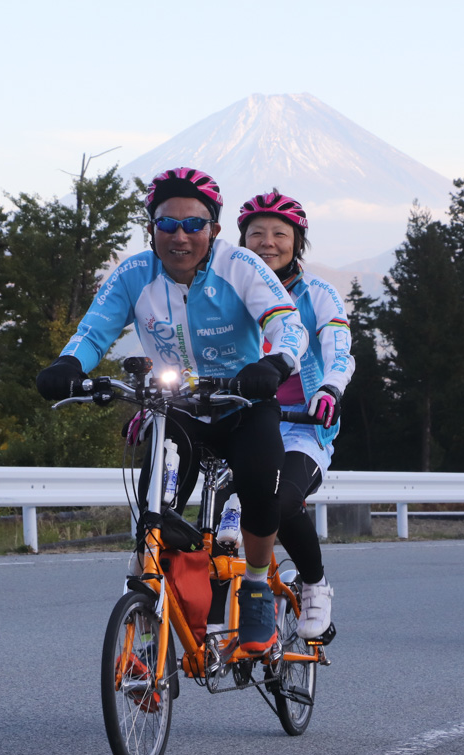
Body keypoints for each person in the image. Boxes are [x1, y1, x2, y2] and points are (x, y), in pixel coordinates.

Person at [36, 167, 309, 655]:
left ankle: (256, 585)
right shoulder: (134, 273)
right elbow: (94, 329)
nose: (179, 236)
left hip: (242, 403)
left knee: (259, 489)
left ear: (215, 230)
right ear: (151, 230)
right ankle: (150, 614)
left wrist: (275, 362)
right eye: (167, 225)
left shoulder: (241, 265)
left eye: (193, 225)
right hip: (175, 407)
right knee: (154, 512)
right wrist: (68, 363)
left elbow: (286, 321)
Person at [231, 189, 355, 640]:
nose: (267, 241)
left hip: (303, 426)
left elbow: (339, 346)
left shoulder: (318, 293)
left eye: (279, 233)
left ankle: (316, 585)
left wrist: (329, 389)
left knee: (280, 503)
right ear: (240, 240)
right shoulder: (228, 290)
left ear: (297, 242)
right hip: (242, 419)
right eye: (256, 233)